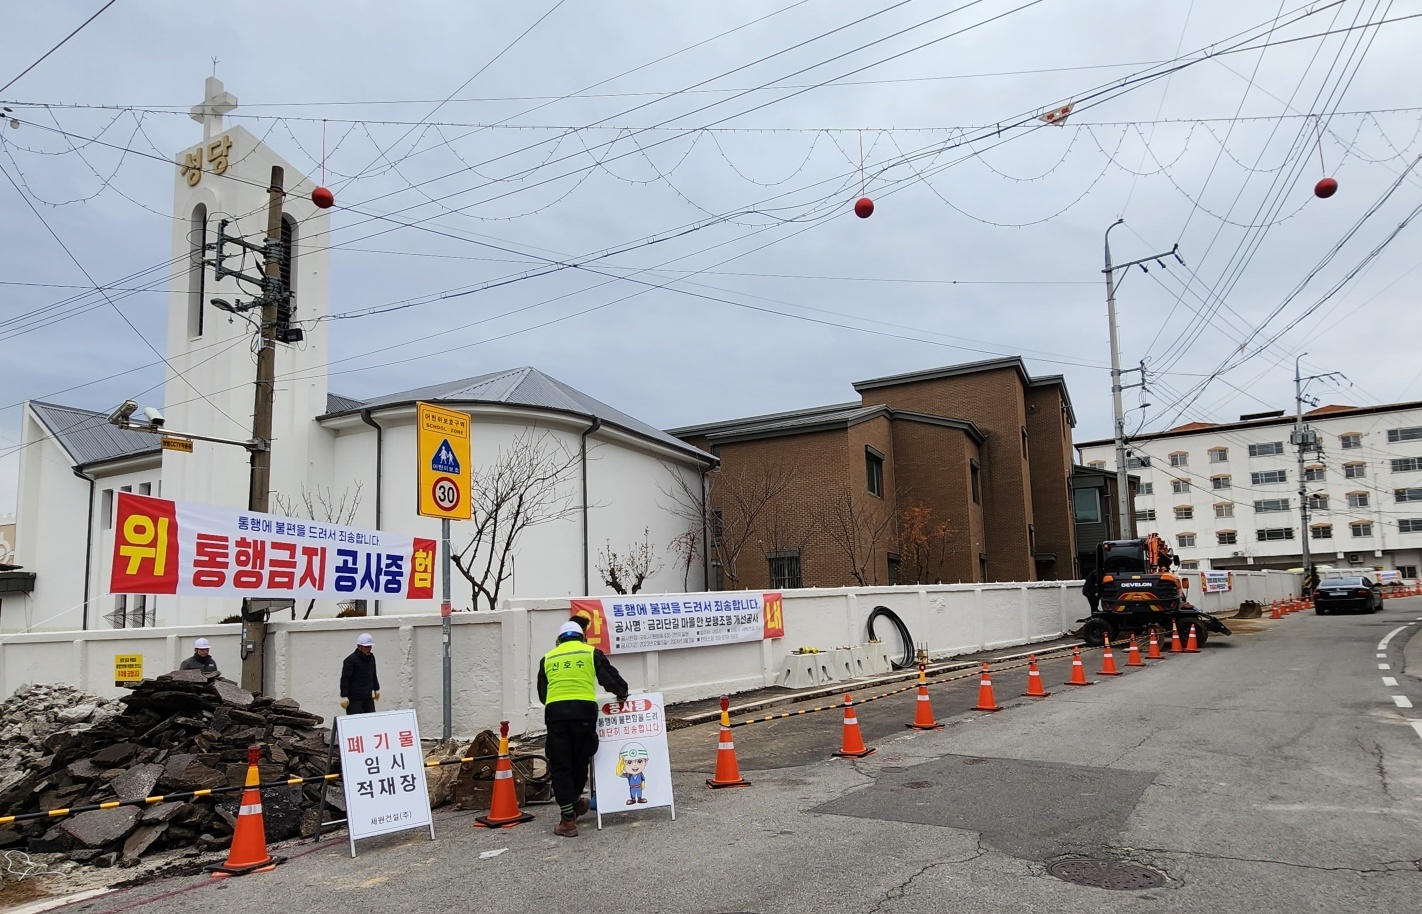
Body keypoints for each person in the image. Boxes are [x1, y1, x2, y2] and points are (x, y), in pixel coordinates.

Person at [538, 620, 628, 838]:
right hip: (584, 712)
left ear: (559, 640)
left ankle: (568, 815)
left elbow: (543, 694)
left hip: (556, 713)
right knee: (580, 758)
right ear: (582, 638)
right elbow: (611, 679)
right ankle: (573, 804)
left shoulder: (548, 658)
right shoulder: (591, 653)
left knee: (560, 763)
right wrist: (622, 693)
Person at [339, 632, 380, 714]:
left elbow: (373, 674)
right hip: (355, 699)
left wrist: (376, 688)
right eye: (366, 647)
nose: (369, 649)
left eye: (370, 646)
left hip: (368, 696)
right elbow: (345, 679)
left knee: (371, 719)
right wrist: (344, 695)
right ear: (359, 646)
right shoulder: (350, 661)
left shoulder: (371, 658)